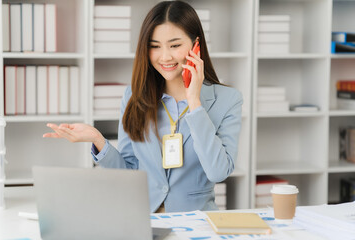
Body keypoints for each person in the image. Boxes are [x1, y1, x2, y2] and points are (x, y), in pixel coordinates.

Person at [43, 0, 243, 213]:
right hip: (146, 220)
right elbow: (129, 173)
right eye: (155, 46)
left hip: (195, 222)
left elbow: (218, 172)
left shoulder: (227, 99)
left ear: (196, 45)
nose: (165, 56)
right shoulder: (134, 96)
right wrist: (97, 140)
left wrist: (194, 103)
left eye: (175, 45)